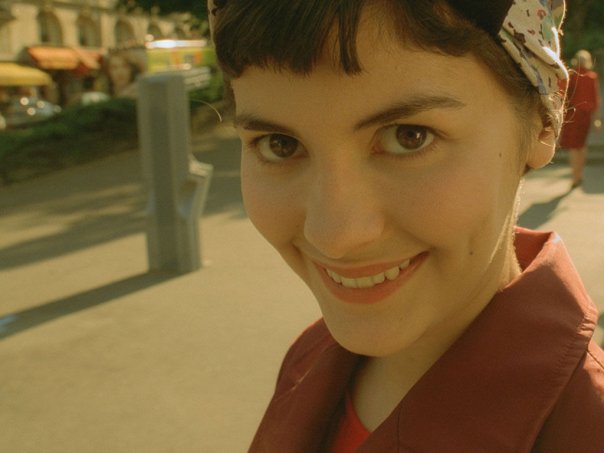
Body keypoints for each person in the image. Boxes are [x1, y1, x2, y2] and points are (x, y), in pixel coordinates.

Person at [209, 1, 604, 451]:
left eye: (408, 136)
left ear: (544, 118)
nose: (334, 236)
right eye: (279, 144)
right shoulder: (309, 357)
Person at [559, 49, 601, 189]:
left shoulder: (571, 76)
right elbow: (595, 100)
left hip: (573, 115)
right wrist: (596, 120)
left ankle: (575, 176)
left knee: (574, 146)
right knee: (581, 146)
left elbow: (564, 95)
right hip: (585, 116)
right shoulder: (592, 77)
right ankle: (579, 174)